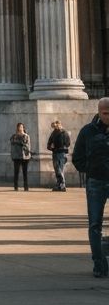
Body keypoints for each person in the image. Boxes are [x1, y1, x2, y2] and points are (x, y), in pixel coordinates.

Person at [71, 97, 109, 278]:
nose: (108, 116)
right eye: (105, 113)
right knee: (95, 224)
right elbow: (77, 157)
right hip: (96, 182)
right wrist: (91, 170)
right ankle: (99, 263)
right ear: (99, 112)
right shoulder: (88, 131)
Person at [47, 119, 71, 192]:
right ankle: (59, 184)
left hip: (61, 153)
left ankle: (62, 185)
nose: (55, 127)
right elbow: (49, 142)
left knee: (59, 169)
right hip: (55, 152)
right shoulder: (53, 133)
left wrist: (58, 146)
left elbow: (68, 143)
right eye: (54, 126)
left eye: (57, 125)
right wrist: (50, 147)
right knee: (57, 169)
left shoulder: (64, 133)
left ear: (60, 125)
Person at [9, 122, 31, 192]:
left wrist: (19, 142)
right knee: (16, 172)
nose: (20, 128)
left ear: (23, 128)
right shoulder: (14, 136)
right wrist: (19, 142)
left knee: (25, 173)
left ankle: (26, 187)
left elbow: (26, 144)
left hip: (25, 157)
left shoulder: (26, 136)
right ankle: (16, 187)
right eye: (19, 127)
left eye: (21, 127)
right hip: (16, 156)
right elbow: (12, 142)